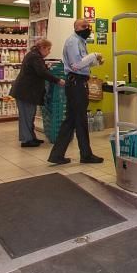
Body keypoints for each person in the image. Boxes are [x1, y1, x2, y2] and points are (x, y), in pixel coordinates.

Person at [48, 19, 105, 165]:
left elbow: (82, 62)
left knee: (71, 121)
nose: (87, 28)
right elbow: (76, 65)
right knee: (80, 120)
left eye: (88, 26)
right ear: (75, 27)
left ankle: (57, 154)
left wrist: (95, 61)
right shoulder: (73, 41)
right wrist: (93, 55)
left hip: (77, 83)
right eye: (83, 26)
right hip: (76, 84)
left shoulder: (80, 41)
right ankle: (86, 155)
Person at [9, 39, 65, 147]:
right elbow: (41, 72)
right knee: (26, 116)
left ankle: (31, 137)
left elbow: (39, 69)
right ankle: (26, 140)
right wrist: (58, 80)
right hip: (25, 92)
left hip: (27, 92)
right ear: (42, 47)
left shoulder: (34, 55)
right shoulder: (35, 56)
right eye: (48, 49)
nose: (49, 52)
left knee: (29, 115)